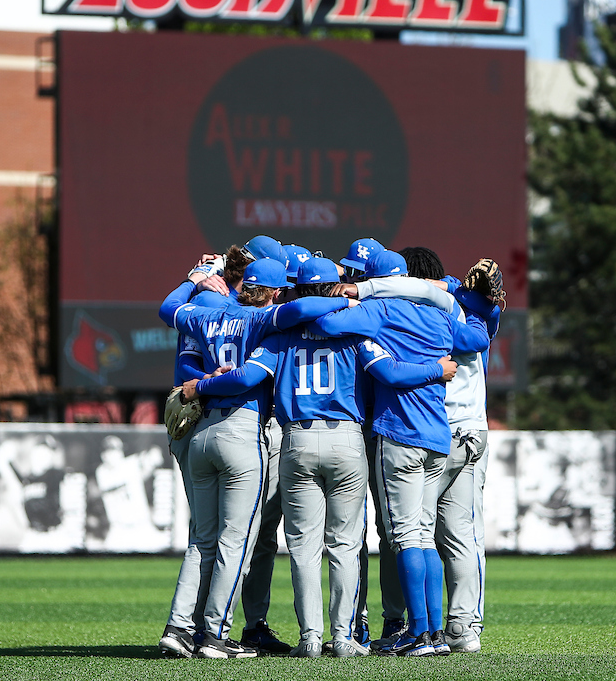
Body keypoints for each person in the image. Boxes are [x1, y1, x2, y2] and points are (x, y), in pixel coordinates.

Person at [185, 257, 457, 657]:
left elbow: (248, 376)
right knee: (345, 544)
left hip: (296, 439)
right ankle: (344, 637)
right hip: (347, 440)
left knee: (303, 547)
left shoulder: (283, 334)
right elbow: (390, 371)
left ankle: (310, 638)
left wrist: (202, 384)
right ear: (336, 287)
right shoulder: (354, 332)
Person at [156, 257, 351, 659]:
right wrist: (347, 301)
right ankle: (214, 635)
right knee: (236, 540)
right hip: (241, 431)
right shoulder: (263, 321)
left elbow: (168, 308)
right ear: (275, 293)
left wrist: (192, 279)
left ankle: (178, 627)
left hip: (201, 432)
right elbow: (299, 313)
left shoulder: (211, 311)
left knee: (201, 540)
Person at [308, 250, 490, 657]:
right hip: (438, 437)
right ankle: (435, 633)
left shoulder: (379, 312)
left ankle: (419, 633)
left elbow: (323, 322)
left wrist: (347, 297)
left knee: (406, 534)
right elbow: (477, 338)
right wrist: (482, 306)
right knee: (425, 535)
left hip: (400, 434)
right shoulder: (443, 316)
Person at [95, 435, 170, 552]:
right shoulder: (102, 472)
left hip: (142, 528)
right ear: (103, 455)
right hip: (118, 531)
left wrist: (154, 454)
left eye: (118, 450)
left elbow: (154, 457)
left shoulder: (130, 464)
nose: (116, 454)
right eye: (111, 451)